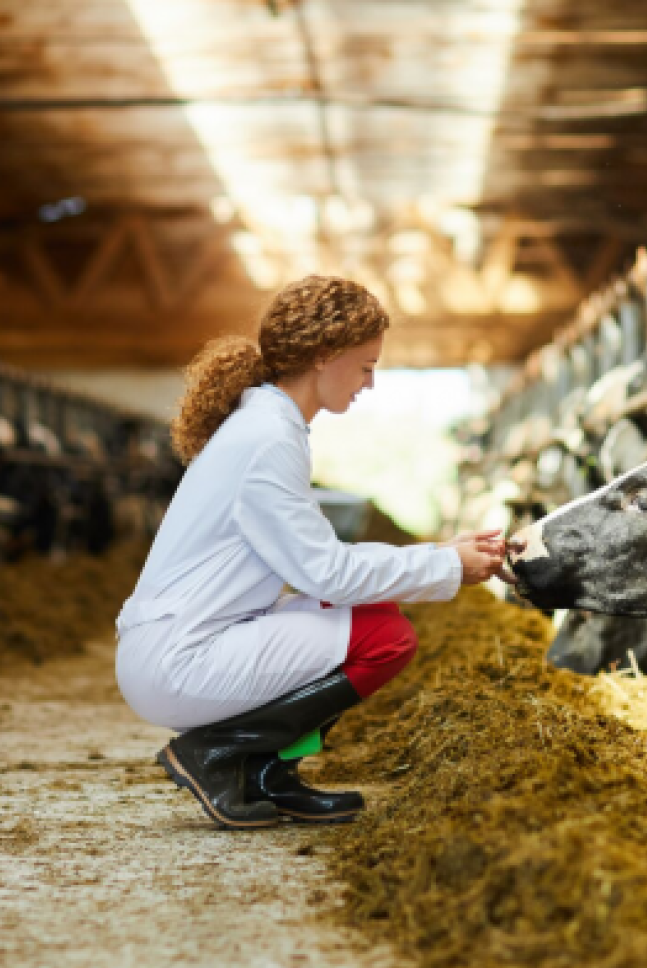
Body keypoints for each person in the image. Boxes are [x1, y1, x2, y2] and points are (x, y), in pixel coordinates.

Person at [115, 275, 506, 830]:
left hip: (186, 641)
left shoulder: (269, 427)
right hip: (181, 659)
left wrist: (442, 551)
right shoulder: (268, 438)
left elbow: (317, 563)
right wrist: (447, 566)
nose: (370, 384)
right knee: (386, 638)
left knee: (376, 618)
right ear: (326, 356)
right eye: (367, 366)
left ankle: (268, 774)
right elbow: (327, 574)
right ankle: (219, 752)